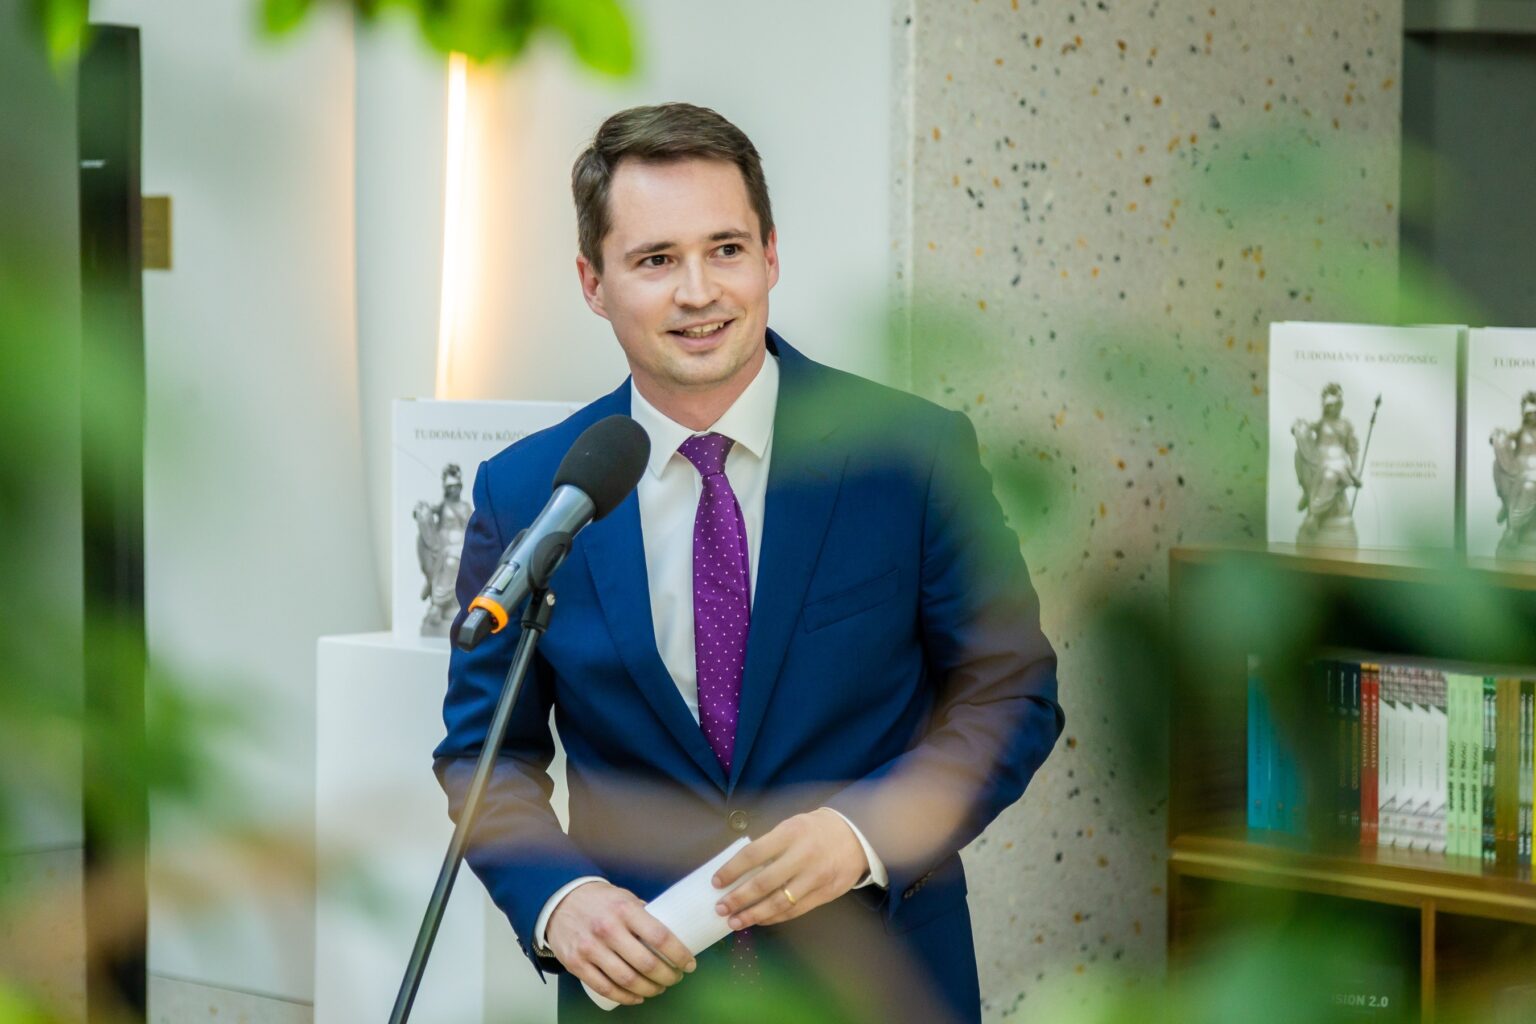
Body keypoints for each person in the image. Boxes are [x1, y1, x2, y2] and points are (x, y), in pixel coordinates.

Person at [434, 102, 1062, 1023]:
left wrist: (862, 835)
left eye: (725, 249)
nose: (699, 292)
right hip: (644, 996)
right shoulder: (529, 491)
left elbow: (1012, 693)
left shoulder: (911, 455)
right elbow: (484, 755)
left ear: (770, 255)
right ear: (593, 282)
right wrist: (559, 903)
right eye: (655, 260)